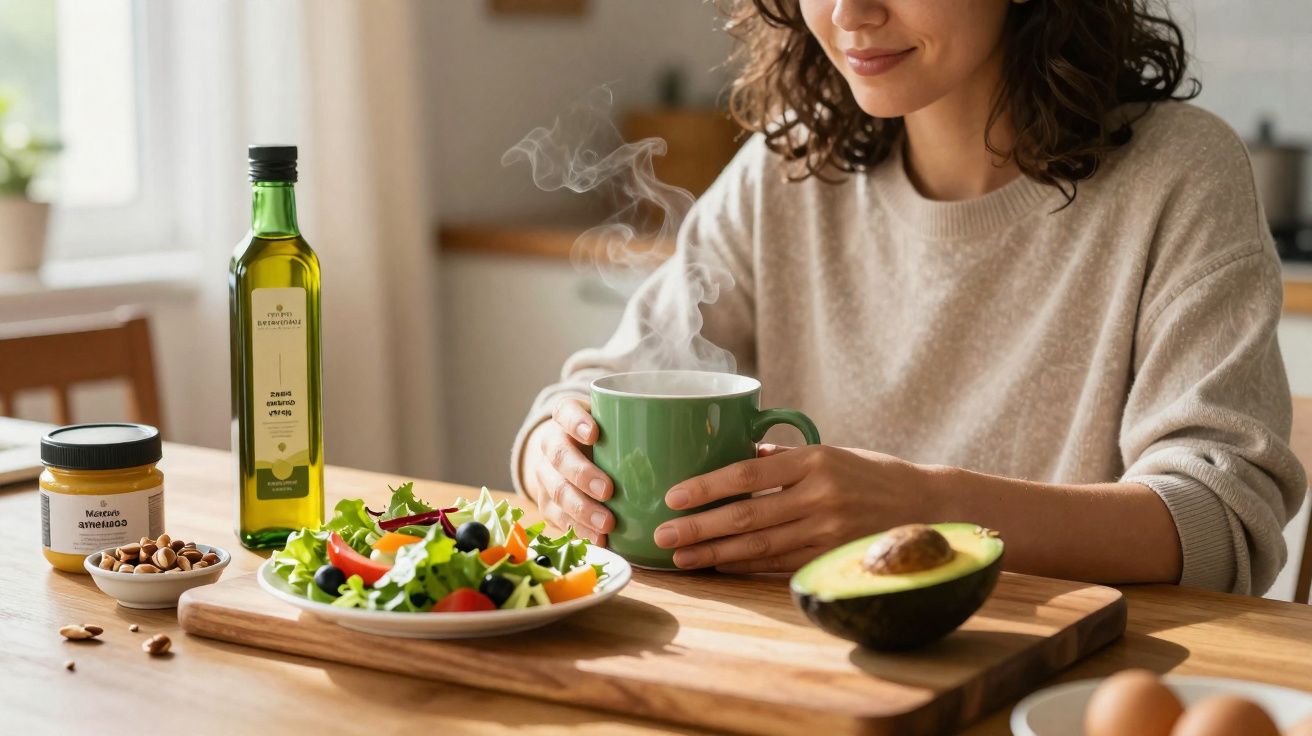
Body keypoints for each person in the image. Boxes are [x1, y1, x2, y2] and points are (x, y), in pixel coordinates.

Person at [511, 0, 1307, 595]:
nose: (849, 14)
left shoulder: (1181, 175)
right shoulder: (785, 172)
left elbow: (1218, 522)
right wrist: (554, 450)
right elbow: (592, 389)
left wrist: (925, 506)